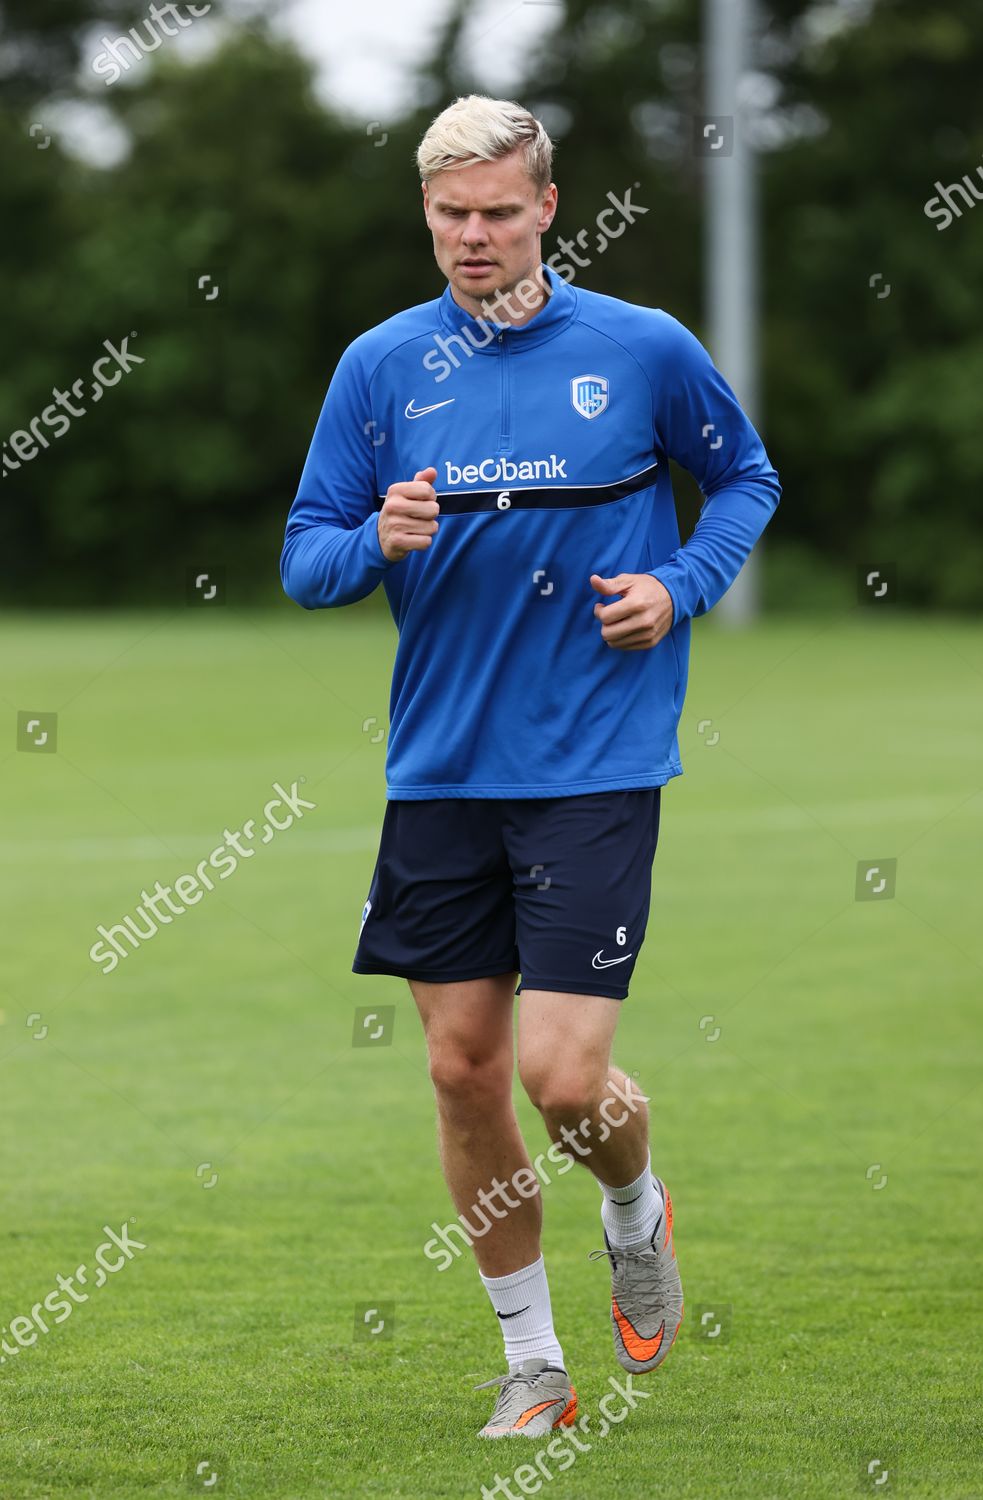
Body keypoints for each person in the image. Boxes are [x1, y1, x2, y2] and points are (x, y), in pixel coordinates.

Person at [280, 93, 781, 1440]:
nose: (475, 236)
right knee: (459, 1071)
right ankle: (536, 1369)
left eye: (500, 211)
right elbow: (304, 556)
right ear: (426, 217)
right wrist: (373, 541)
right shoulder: (381, 368)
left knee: (563, 1083)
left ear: (549, 207)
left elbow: (745, 480)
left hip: (595, 759)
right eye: (451, 215)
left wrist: (679, 588)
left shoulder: (642, 349)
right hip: (441, 770)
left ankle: (634, 1206)